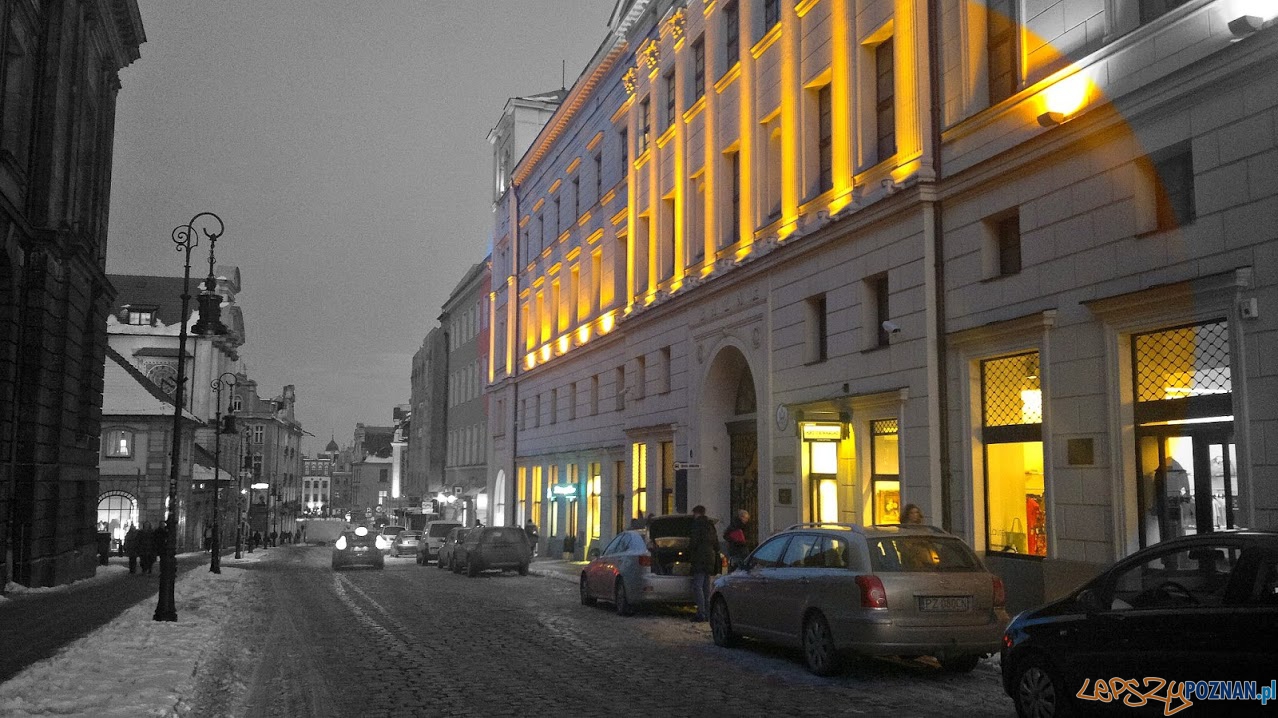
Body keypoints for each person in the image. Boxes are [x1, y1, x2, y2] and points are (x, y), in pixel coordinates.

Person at [688, 505, 720, 623]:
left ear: (696, 513)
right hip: (710, 558)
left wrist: (689, 551)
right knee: (707, 587)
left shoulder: (697, 524)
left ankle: (701, 613)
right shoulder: (711, 525)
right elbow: (717, 544)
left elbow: (694, 542)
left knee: (697, 586)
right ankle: (708, 613)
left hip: (699, 558)